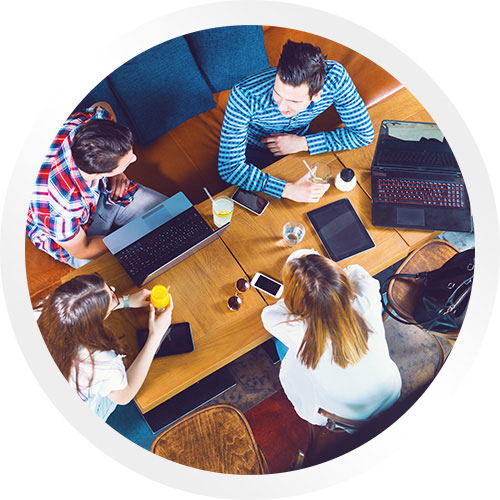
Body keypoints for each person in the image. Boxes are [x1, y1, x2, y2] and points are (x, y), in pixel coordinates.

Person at [218, 40, 374, 203]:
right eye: (277, 94)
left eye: (293, 101)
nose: (281, 107)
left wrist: (303, 143)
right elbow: (230, 168)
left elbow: (363, 134)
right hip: (252, 152)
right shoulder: (244, 95)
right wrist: (287, 189)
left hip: (301, 145)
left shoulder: (336, 79)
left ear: (317, 95)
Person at [261, 249, 401, 428]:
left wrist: (295, 295)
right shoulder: (366, 297)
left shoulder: (298, 329)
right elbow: (355, 269)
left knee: (280, 343)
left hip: (347, 416)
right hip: (389, 393)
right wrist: (326, 281)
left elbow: (268, 314)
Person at [26, 102, 167, 268]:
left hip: (103, 193)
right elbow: (82, 249)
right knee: (128, 271)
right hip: (74, 238)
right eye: (127, 161)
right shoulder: (58, 207)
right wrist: (135, 233)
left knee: (173, 214)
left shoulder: (89, 122)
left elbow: (104, 106)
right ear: (100, 173)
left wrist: (117, 173)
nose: (135, 158)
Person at [37, 274, 174, 421]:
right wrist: (155, 336)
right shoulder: (100, 362)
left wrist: (122, 302)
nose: (114, 288)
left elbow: (77, 312)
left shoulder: (44, 309)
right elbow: (123, 396)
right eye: (111, 291)